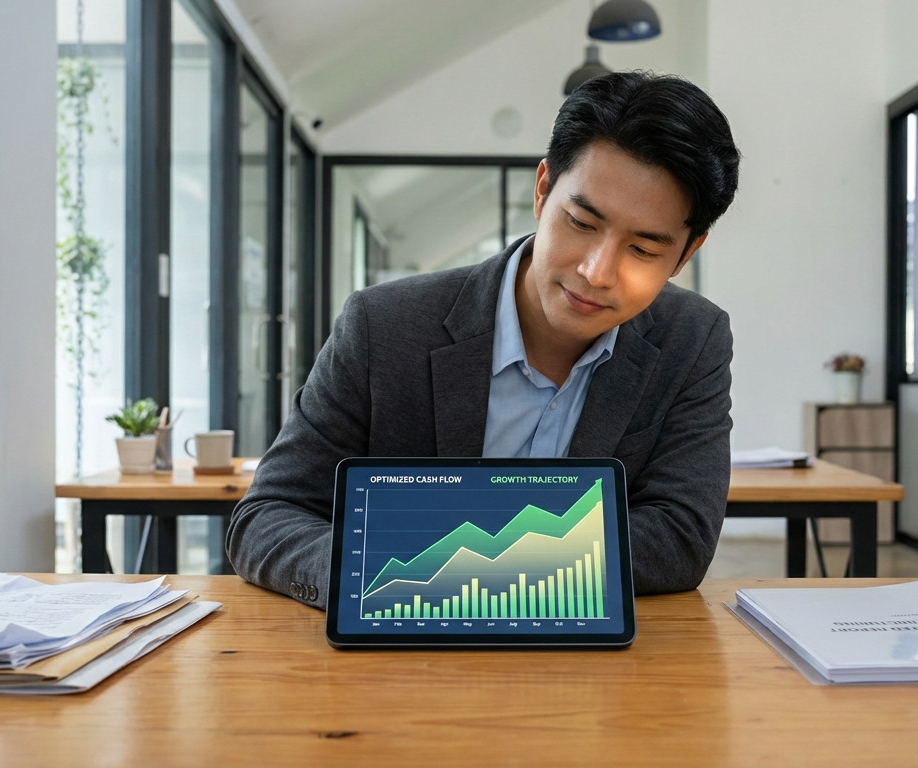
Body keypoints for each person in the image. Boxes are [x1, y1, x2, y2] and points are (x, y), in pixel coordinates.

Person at [227, 71, 740, 609]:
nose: (596, 271)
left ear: (686, 252)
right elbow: (268, 516)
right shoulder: (384, 326)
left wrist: (466, 564)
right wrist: (398, 577)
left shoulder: (693, 339)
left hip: (595, 669)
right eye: (582, 223)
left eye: (643, 250)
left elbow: (679, 536)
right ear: (542, 190)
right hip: (395, 656)